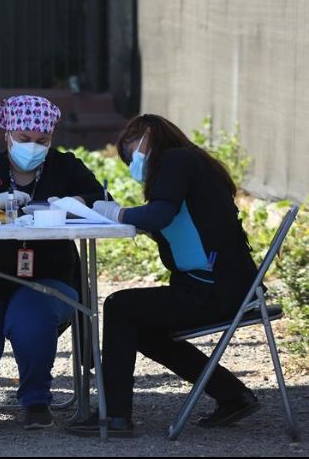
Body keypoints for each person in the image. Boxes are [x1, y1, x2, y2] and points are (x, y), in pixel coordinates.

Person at [66, 114, 261, 438]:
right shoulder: (190, 162)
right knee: (142, 328)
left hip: (214, 290)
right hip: (223, 288)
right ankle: (232, 395)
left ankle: (115, 417)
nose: (132, 158)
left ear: (151, 135)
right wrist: (120, 215)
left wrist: (113, 212)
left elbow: (159, 214)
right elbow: (169, 220)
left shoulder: (175, 159)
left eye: (132, 148)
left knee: (119, 305)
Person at [0, 95, 108, 438]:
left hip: (48, 276)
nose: (33, 147)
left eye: (42, 141)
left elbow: (101, 197)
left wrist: (73, 202)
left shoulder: (65, 167)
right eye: (24, 139)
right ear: (8, 133)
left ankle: (36, 400)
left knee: (29, 319)